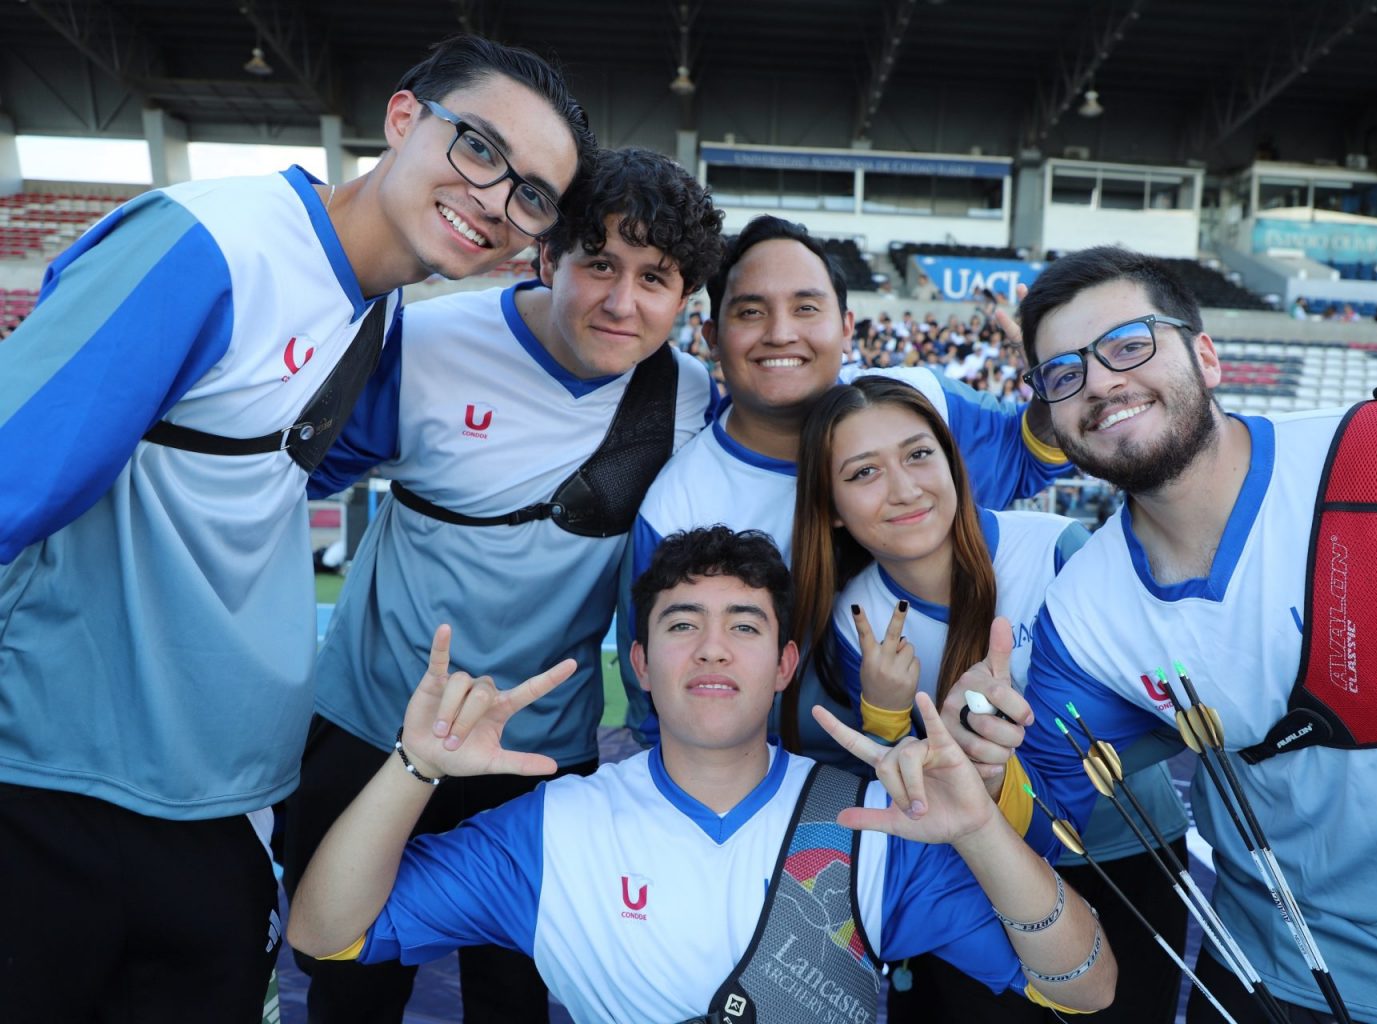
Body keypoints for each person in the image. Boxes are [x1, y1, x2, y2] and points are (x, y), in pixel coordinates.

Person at [0, 34, 592, 1022]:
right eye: (480, 148)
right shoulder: (210, 245)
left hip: (218, 802)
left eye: (532, 194)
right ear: (402, 118)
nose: (496, 200)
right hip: (63, 794)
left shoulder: (377, 312)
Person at [286, 527, 1117, 1021]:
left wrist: (980, 831)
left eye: (745, 626)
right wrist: (415, 766)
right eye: (683, 625)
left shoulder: (870, 823)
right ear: (640, 665)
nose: (714, 648)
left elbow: (1086, 988)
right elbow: (324, 934)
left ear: (785, 665)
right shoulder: (554, 828)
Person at [1010, 245, 1377, 1023]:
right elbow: (1037, 810)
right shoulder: (1083, 615)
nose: (1099, 382)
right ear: (1052, 419)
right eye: (1063, 374)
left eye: (1127, 345)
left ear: (1207, 357)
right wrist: (978, 759)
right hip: (1271, 979)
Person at [285, 146, 723, 1023]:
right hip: (374, 732)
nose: (623, 301)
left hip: (540, 759)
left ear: (684, 299)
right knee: (347, 980)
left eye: (655, 278)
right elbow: (278, 485)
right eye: (600, 263)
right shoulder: (424, 345)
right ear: (546, 256)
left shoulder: (688, 399)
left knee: (516, 999)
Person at [787, 376, 1187, 1024]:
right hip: (970, 878)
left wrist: (1032, 759)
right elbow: (901, 787)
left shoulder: (1056, 550)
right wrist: (886, 718)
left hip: (1124, 853)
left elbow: (1172, 716)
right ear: (829, 506)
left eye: (919, 455)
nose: (904, 488)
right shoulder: (853, 616)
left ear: (952, 461)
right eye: (864, 472)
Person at [619, 215, 1072, 740]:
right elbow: (659, 711)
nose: (781, 333)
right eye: (751, 311)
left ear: (847, 326)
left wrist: (1055, 374)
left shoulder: (916, 402)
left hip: (982, 747)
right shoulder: (673, 510)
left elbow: (1026, 455)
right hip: (796, 774)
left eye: (806, 308)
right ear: (713, 338)